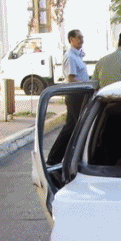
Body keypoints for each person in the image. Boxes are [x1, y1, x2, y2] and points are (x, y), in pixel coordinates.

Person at [46, 29, 89, 166]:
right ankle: (54, 158)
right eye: (78, 37)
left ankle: (63, 157)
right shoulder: (70, 56)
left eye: (82, 37)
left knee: (74, 126)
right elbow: (71, 79)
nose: (81, 40)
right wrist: (88, 84)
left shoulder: (78, 55)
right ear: (71, 39)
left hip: (80, 94)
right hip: (75, 95)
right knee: (73, 127)